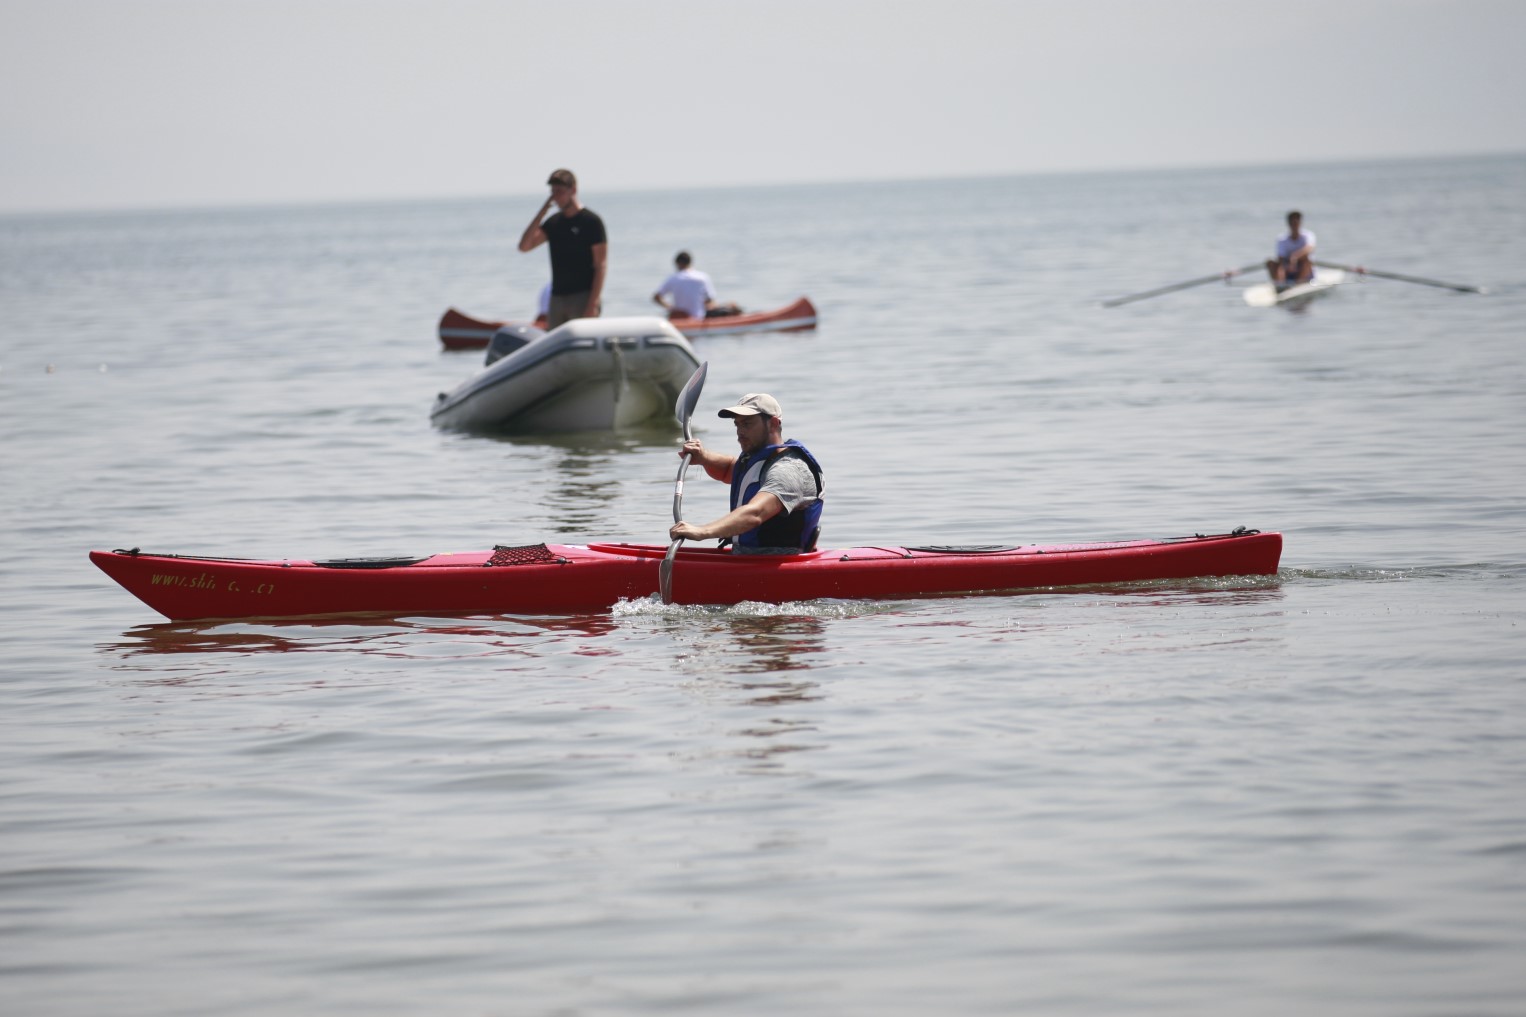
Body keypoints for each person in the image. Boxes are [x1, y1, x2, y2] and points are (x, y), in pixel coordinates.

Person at [669, 392, 824, 554]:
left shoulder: (787, 470)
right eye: (737, 424)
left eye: (747, 424)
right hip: (746, 558)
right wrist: (704, 457)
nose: (740, 431)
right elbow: (731, 470)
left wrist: (703, 531)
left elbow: (755, 513)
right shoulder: (759, 459)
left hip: (775, 564)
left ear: (773, 423)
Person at [518, 169, 607, 329]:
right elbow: (524, 246)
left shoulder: (591, 221)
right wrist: (542, 212)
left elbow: (600, 265)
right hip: (557, 298)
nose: (555, 197)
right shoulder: (553, 223)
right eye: (552, 192)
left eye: (559, 192)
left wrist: (592, 303)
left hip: (583, 296)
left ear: (573, 189)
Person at [651, 251, 741, 320]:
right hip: (699, 317)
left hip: (680, 317)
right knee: (732, 305)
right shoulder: (702, 277)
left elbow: (656, 297)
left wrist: (670, 308)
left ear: (677, 264)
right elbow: (710, 301)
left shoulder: (672, 278)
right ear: (690, 262)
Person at [1266, 210, 1316, 288]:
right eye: (1292, 223)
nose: (1294, 225)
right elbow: (1281, 260)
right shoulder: (1281, 239)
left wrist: (1295, 257)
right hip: (1288, 270)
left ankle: (1297, 285)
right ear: (1288, 223)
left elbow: (1309, 249)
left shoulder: (1308, 236)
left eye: (1296, 222)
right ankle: (1280, 285)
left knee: (1306, 260)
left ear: (1300, 223)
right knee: (1270, 262)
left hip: (1304, 271)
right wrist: (1290, 264)